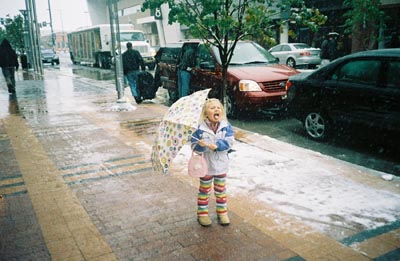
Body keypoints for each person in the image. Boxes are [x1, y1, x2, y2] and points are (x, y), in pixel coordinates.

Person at [191, 98, 235, 227]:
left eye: (218, 107)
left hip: (221, 165)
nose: (216, 109)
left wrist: (217, 145)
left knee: (220, 190)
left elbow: (230, 141)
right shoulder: (199, 129)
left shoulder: (226, 126)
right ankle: (202, 214)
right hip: (206, 166)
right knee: (204, 191)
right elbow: (194, 146)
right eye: (212, 108)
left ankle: (222, 212)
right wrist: (200, 146)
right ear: (205, 114)